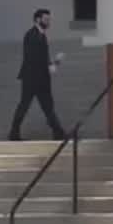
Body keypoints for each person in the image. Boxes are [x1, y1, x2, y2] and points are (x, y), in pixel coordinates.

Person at [9, 9, 66, 141]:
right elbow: (32, 58)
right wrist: (51, 65)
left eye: (49, 19)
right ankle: (14, 133)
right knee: (25, 106)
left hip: (40, 78)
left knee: (47, 106)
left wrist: (54, 62)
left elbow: (41, 58)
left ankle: (58, 132)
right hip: (32, 78)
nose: (48, 22)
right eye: (46, 19)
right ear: (37, 19)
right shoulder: (31, 35)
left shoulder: (41, 35)